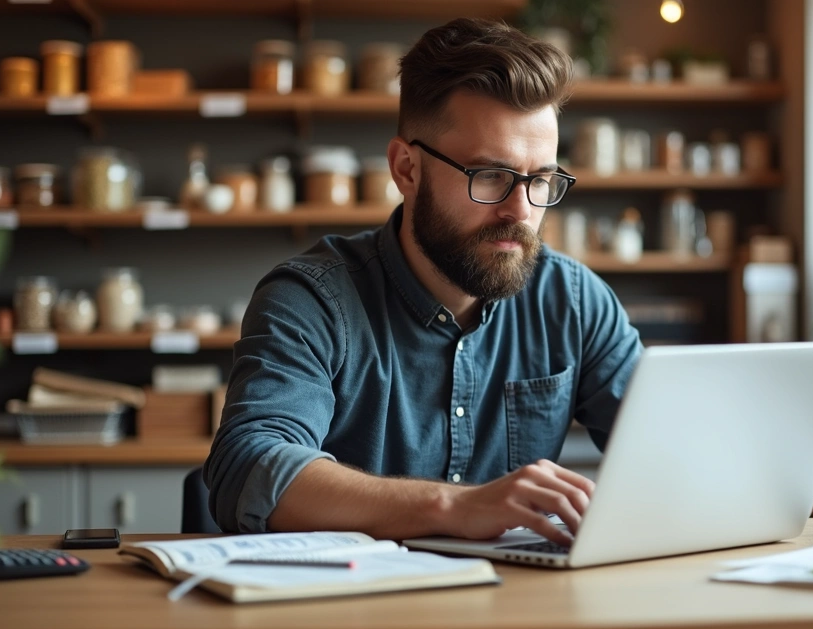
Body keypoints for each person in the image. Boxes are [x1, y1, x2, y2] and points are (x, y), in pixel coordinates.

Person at [204, 18, 643, 547]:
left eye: (541, 180)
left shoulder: (572, 301)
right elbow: (249, 467)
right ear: (407, 170)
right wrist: (452, 507)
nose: (521, 210)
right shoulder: (312, 301)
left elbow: (673, 446)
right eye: (491, 176)